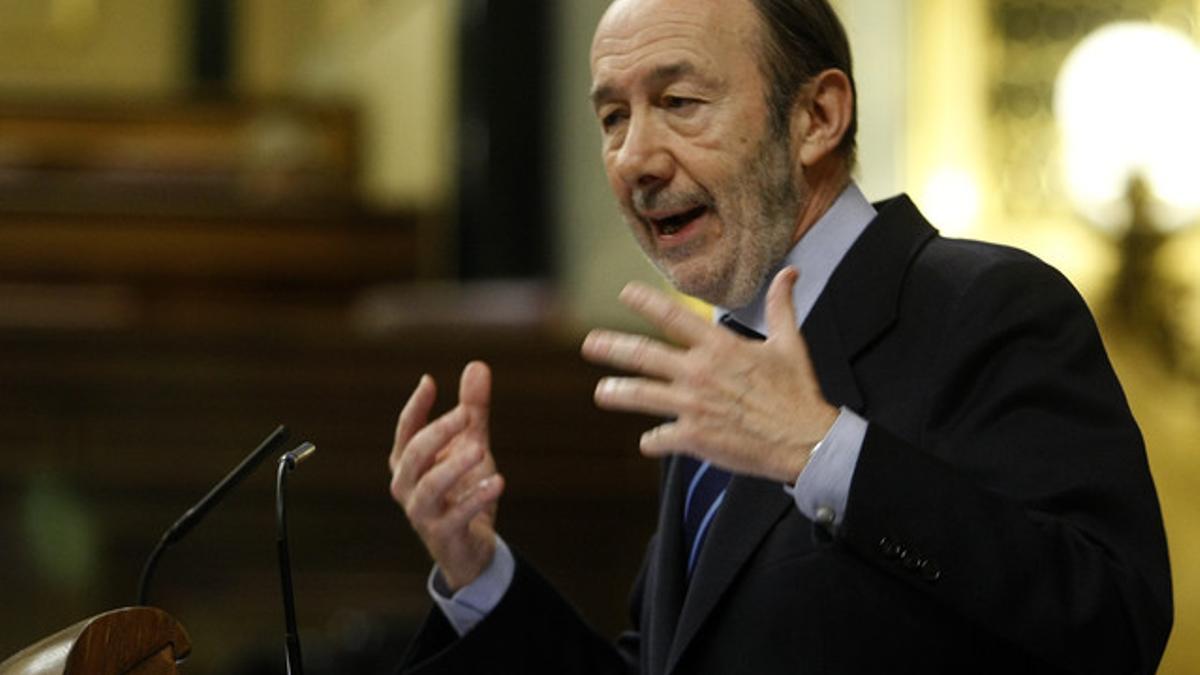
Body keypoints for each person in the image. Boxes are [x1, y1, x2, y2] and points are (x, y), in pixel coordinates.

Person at [387, 0, 1173, 672]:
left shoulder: (988, 306)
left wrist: (829, 454)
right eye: (613, 117)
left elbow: (1113, 624)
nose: (633, 158)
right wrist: (479, 572)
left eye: (680, 101)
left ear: (817, 117)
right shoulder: (727, 370)